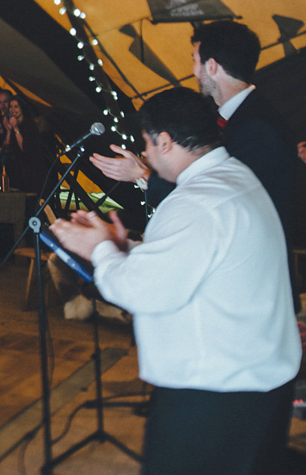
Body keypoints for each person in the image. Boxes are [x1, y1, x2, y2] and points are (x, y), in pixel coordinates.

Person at [52, 87, 299, 475]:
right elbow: (191, 262)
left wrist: (101, 250)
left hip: (216, 394)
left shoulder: (196, 201)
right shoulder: (233, 176)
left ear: (164, 141)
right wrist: (126, 247)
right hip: (258, 379)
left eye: (147, 145)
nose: (145, 155)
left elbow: (138, 291)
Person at [90, 20, 300, 310]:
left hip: (252, 285)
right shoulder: (239, 117)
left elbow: (219, 200)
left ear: (212, 66)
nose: (194, 72)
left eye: (196, 62)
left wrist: (144, 175)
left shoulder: (257, 128)